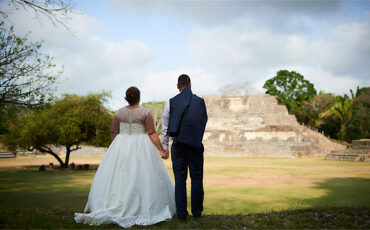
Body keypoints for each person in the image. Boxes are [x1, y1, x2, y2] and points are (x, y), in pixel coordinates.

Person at [74, 87, 176, 228]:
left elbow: (113, 133)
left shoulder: (118, 113)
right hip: (141, 147)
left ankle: (115, 203)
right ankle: (142, 207)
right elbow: (152, 133)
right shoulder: (145, 113)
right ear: (139, 98)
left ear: (126, 98)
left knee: (118, 176)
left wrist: (116, 150)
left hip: (120, 145)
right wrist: (161, 150)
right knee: (143, 175)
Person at [161, 74, 208, 221]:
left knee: (180, 180)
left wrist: (165, 147)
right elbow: (203, 121)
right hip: (194, 144)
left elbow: (165, 127)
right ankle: (197, 212)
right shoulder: (200, 102)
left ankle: (181, 213)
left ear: (177, 86)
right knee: (197, 179)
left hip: (178, 145)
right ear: (190, 85)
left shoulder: (170, 102)